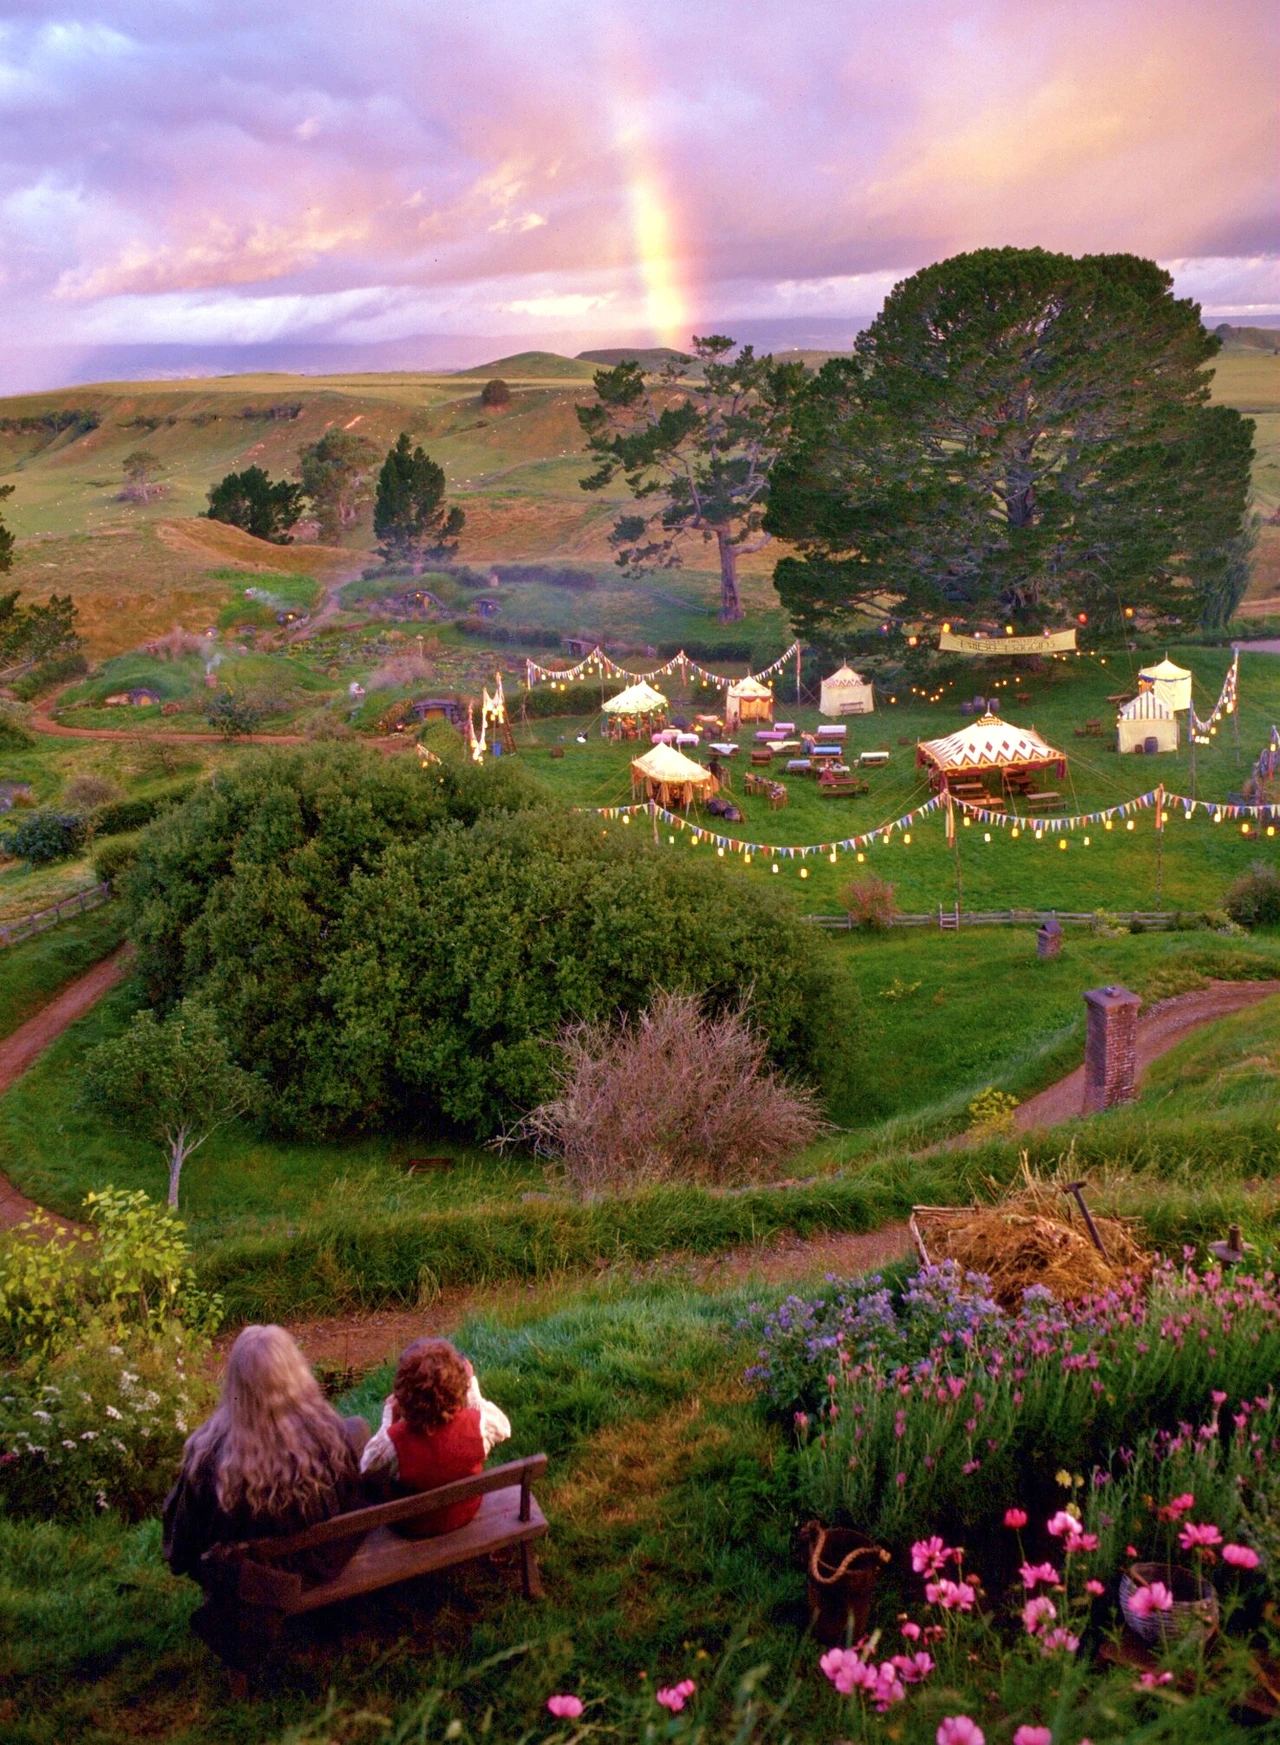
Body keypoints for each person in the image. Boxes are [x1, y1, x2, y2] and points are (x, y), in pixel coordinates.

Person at [163, 1324, 369, 1591]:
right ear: (295, 1374)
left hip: (249, 1586)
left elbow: (181, 1550)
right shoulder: (331, 1437)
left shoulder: (207, 1456)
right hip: (322, 1567)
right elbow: (352, 1504)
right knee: (357, 1427)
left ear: (236, 1383)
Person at [360, 1337, 510, 1535]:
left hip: (414, 1526)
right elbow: (504, 1428)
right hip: (464, 1513)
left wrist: (389, 1419)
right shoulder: (478, 1425)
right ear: (459, 1386)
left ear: (403, 1394)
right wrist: (472, 1387)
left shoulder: (395, 1442)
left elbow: (366, 1467)